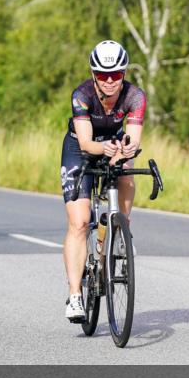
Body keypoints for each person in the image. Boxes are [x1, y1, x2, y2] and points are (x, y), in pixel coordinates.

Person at [60, 40, 146, 322]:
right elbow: (86, 142)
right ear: (93, 73)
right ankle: (75, 295)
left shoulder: (135, 96)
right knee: (80, 221)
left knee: (126, 168)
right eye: (102, 75)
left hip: (112, 146)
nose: (109, 81)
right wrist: (106, 147)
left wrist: (125, 150)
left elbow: (132, 138)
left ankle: (117, 232)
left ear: (123, 73)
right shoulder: (81, 95)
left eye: (116, 74)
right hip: (79, 149)